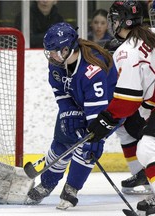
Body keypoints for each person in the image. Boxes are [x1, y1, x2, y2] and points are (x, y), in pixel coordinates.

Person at [25, 22, 117, 210]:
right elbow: (61, 93)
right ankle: (47, 183)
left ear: (66, 49)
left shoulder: (92, 71)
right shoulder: (57, 64)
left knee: (89, 144)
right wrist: (69, 113)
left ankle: (72, 188)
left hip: (106, 111)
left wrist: (93, 139)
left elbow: (97, 115)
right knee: (61, 141)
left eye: (53, 51)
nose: (49, 55)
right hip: (78, 102)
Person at [85, 1, 155, 215]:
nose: (112, 24)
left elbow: (127, 101)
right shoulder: (149, 34)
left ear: (121, 21)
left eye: (114, 19)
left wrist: (104, 121)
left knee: (148, 148)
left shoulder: (126, 51)